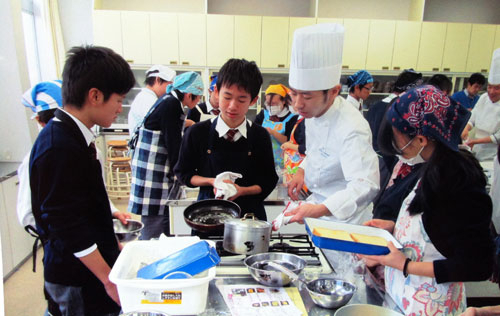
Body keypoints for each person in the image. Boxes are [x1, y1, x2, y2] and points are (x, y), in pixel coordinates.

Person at [362, 85, 494, 316]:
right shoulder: (428, 168)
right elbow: (432, 231)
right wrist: (393, 226)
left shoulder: (457, 183)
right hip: (401, 296)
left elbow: (477, 265)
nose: (395, 145)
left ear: (421, 139)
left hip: (432, 306)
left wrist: (405, 265)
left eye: (397, 136)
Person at [29, 45, 135, 316]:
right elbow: (68, 224)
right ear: (95, 96)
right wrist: (107, 279)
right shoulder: (59, 145)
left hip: (88, 267)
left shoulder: (75, 137)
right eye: (119, 99)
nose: (120, 108)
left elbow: (83, 204)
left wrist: (112, 245)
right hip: (76, 276)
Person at [285, 23, 380, 225]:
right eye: (293, 94)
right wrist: (302, 170)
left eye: (307, 96)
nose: (298, 104)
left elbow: (365, 185)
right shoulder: (313, 113)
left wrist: (320, 210)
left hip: (348, 221)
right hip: (317, 212)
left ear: (334, 91)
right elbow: (317, 151)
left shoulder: (352, 127)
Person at [174, 58, 278, 221]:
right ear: (216, 91)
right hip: (207, 216)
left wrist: (241, 190)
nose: (232, 106)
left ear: (253, 100)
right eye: (227, 97)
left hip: (249, 220)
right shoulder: (197, 132)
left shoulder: (260, 136)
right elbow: (184, 174)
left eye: (241, 100)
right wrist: (212, 181)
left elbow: (268, 180)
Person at [128, 72, 203, 239]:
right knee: (154, 223)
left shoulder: (169, 100)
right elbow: (173, 143)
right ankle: (150, 257)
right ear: (189, 94)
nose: (198, 102)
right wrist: (185, 172)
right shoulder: (171, 105)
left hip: (156, 170)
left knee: (164, 219)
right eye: (197, 98)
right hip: (153, 173)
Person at [461, 48, 500, 161]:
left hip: (493, 154)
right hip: (476, 149)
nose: (492, 91)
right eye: (490, 86)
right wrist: (466, 128)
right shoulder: (483, 98)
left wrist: (475, 141)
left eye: (497, 88)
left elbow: (497, 137)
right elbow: (472, 118)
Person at [254, 84, 298, 169]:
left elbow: (289, 140)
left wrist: (272, 132)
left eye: (274, 103)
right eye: (268, 103)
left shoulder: (292, 118)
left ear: (284, 101)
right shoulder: (263, 114)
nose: (270, 107)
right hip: (262, 158)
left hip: (282, 161)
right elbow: (253, 131)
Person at [128, 65, 175, 137]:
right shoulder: (147, 99)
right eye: (169, 85)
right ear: (158, 80)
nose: (171, 89)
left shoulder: (149, 97)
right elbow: (164, 122)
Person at [281, 116, 306, 184]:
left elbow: (305, 148)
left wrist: (290, 146)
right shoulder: (298, 120)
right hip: (291, 168)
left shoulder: (305, 122)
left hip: (300, 167)